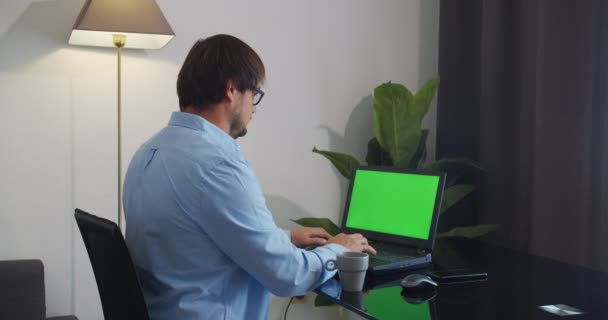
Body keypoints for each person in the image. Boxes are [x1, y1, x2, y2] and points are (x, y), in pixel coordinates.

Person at [123, 34, 376, 320]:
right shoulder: (218, 165)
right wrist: (338, 250)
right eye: (254, 93)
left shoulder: (148, 152)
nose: (254, 107)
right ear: (232, 90)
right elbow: (287, 276)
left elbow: (193, 239)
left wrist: (284, 238)